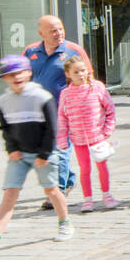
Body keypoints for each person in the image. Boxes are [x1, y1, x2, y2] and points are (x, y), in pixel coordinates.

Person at [0, 56, 74, 257]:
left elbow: (52, 128)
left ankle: (65, 223)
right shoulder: (3, 101)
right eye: (10, 75)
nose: (16, 77)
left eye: (19, 72)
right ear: (4, 79)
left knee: (52, 190)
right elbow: (6, 128)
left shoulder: (42, 97)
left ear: (28, 73)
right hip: (19, 156)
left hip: (43, 154)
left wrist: (44, 153)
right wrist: (12, 149)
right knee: (9, 195)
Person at [24, 15, 93, 205]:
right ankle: (68, 180)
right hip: (38, 112)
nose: (59, 33)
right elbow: (22, 77)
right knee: (46, 152)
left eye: (60, 29)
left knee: (60, 150)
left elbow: (89, 79)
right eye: (53, 30)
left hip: (65, 111)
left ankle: (59, 191)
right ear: (41, 33)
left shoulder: (73, 50)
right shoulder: (30, 51)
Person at [55, 55, 119, 213]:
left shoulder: (97, 87)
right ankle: (88, 199)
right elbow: (62, 118)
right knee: (85, 168)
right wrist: (62, 139)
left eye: (83, 70)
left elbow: (110, 110)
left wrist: (107, 130)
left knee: (102, 166)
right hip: (79, 139)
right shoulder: (66, 94)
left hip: (98, 137)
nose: (81, 74)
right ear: (68, 74)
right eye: (76, 72)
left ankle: (107, 195)